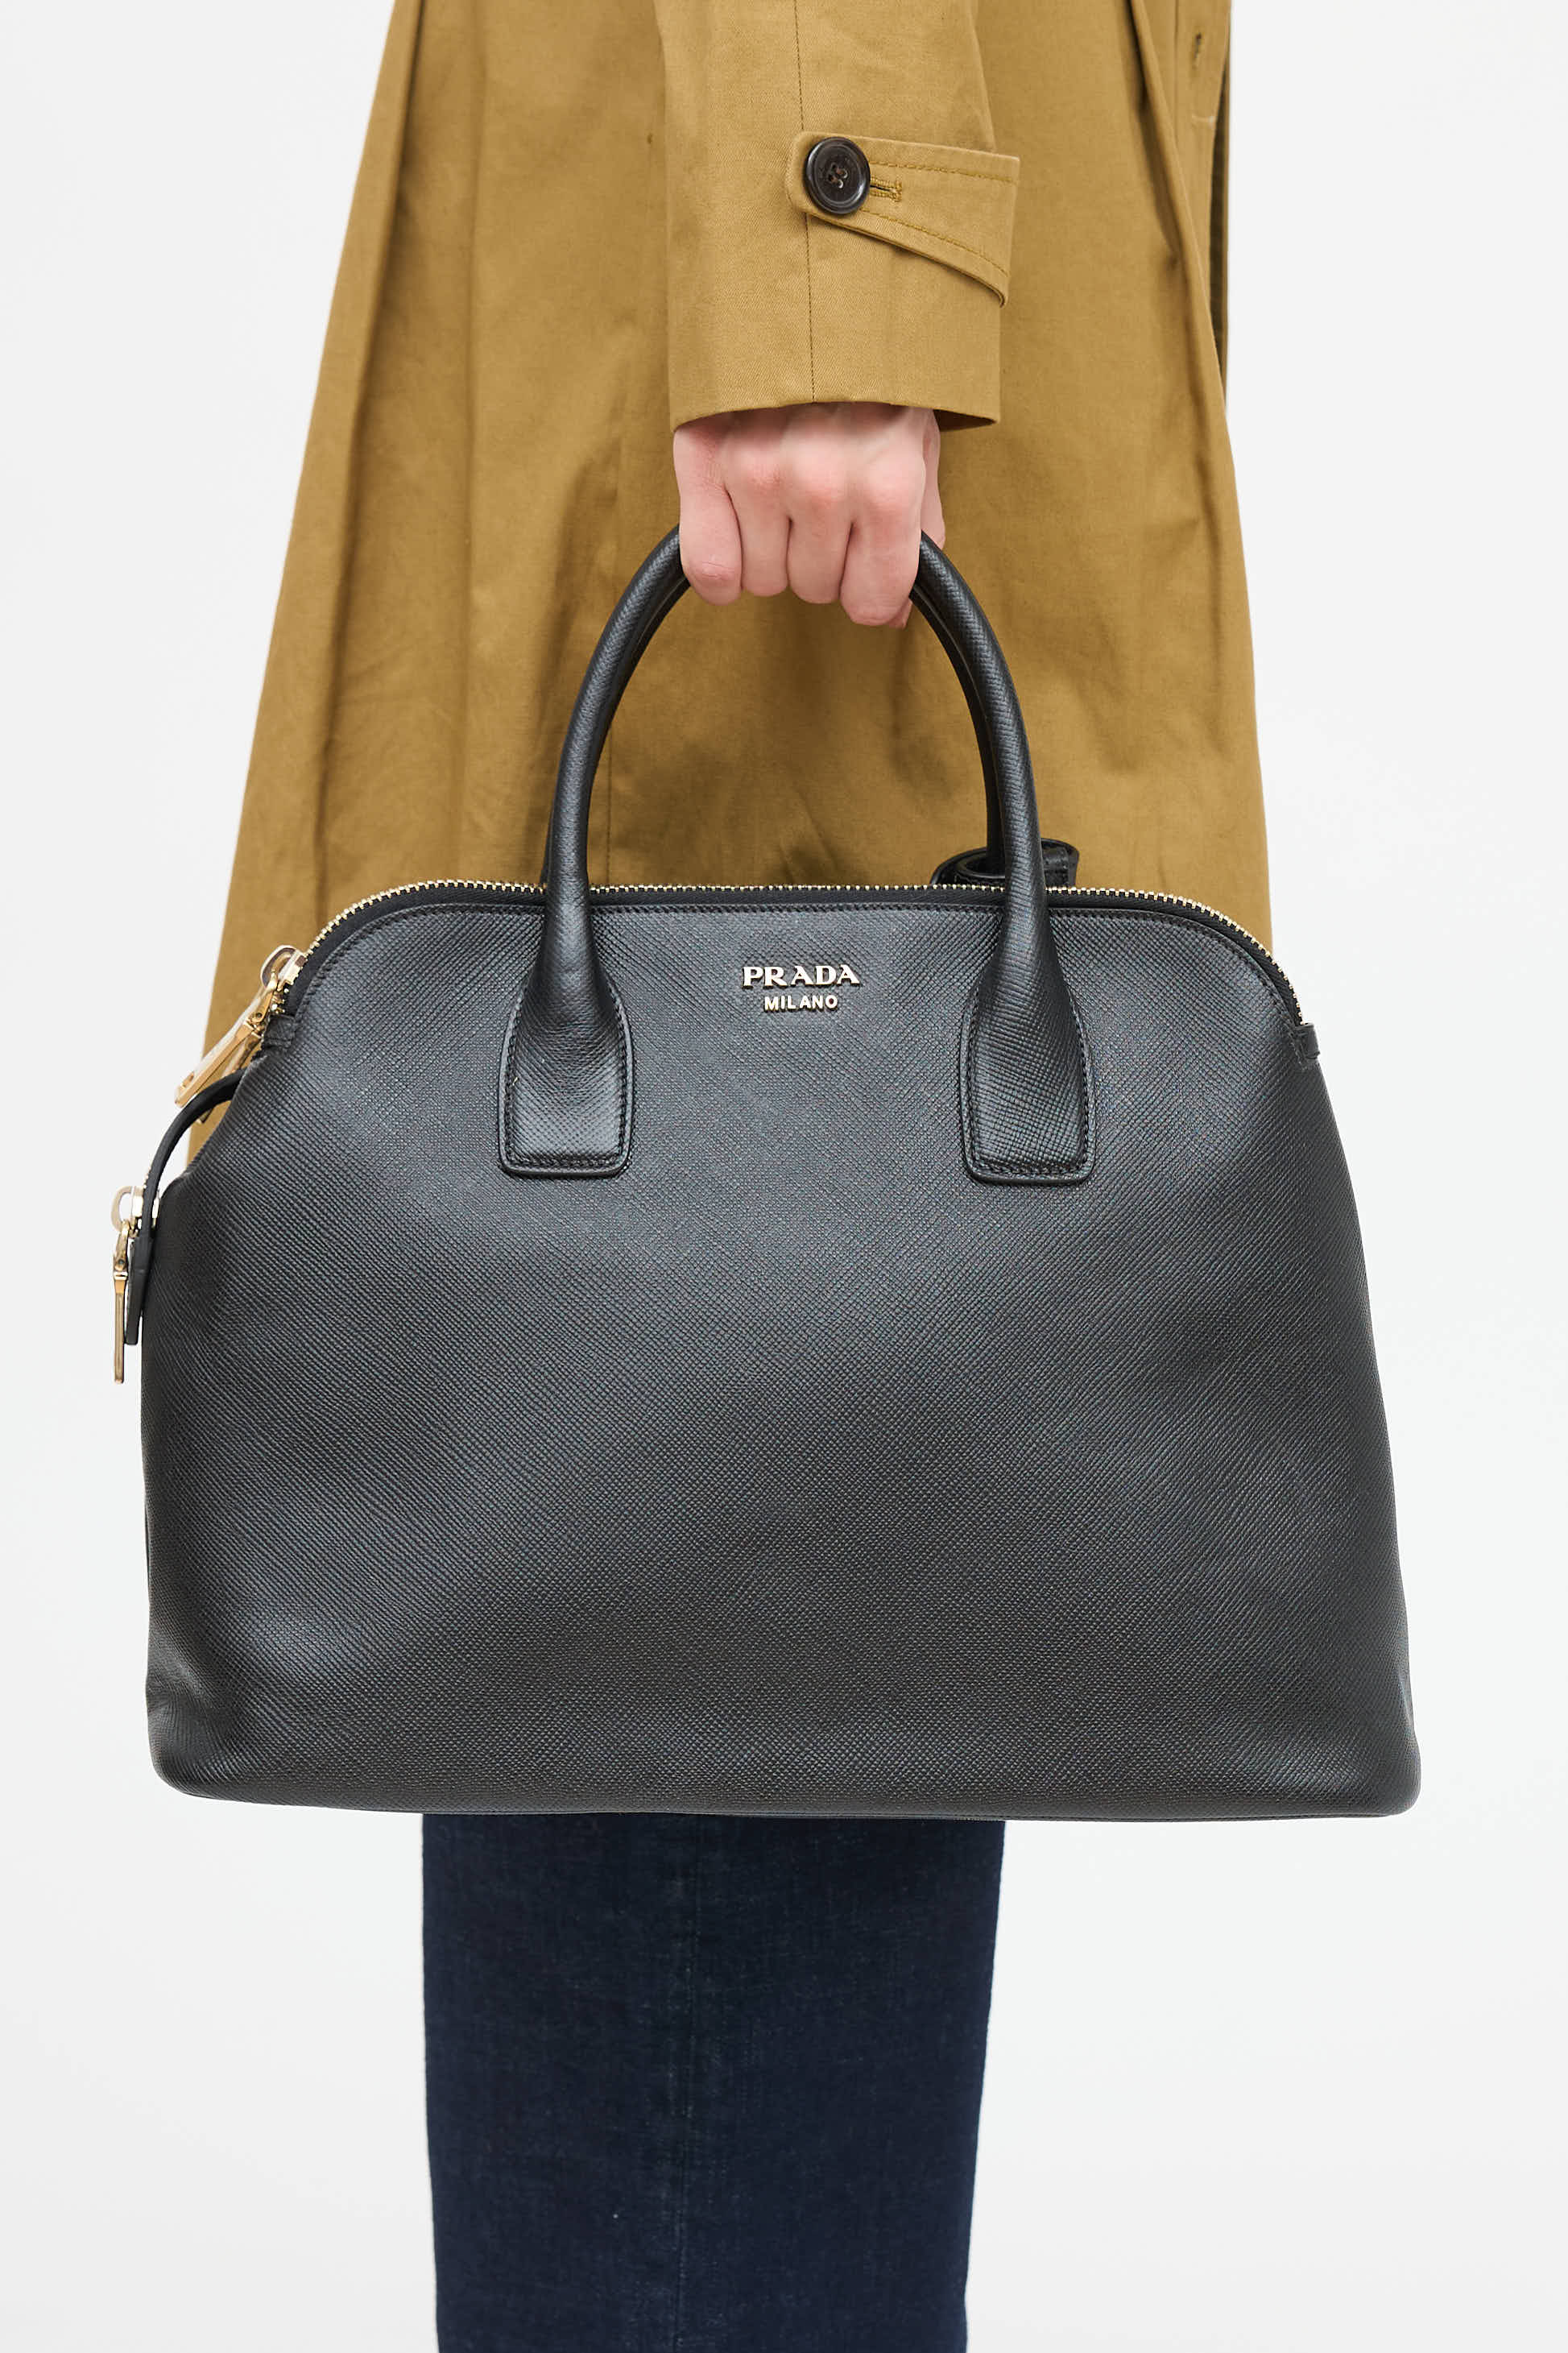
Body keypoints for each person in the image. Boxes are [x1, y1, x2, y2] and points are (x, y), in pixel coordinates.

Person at [197, 5, 1267, 2343]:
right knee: (718, 1454)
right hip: (798, 217)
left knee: (768, 1466)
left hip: (826, 203)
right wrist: (826, 246)